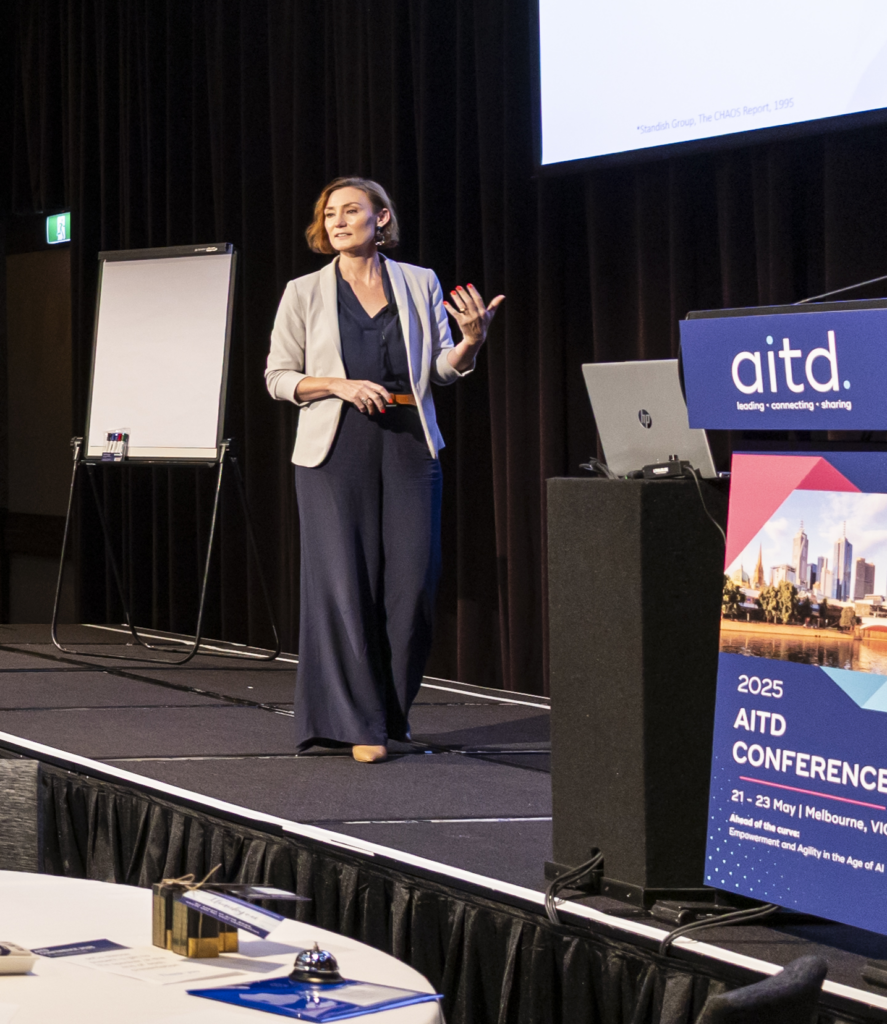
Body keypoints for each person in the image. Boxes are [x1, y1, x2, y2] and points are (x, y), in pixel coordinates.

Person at [265, 177, 503, 763]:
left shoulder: (418, 282)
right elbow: (277, 378)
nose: (338, 221)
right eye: (329, 214)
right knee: (345, 585)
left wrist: (471, 342)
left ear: (382, 217)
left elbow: (442, 371)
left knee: (413, 587)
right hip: (334, 447)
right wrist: (337, 385)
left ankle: (391, 714)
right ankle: (359, 723)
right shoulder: (304, 291)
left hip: (407, 443)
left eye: (351, 210)